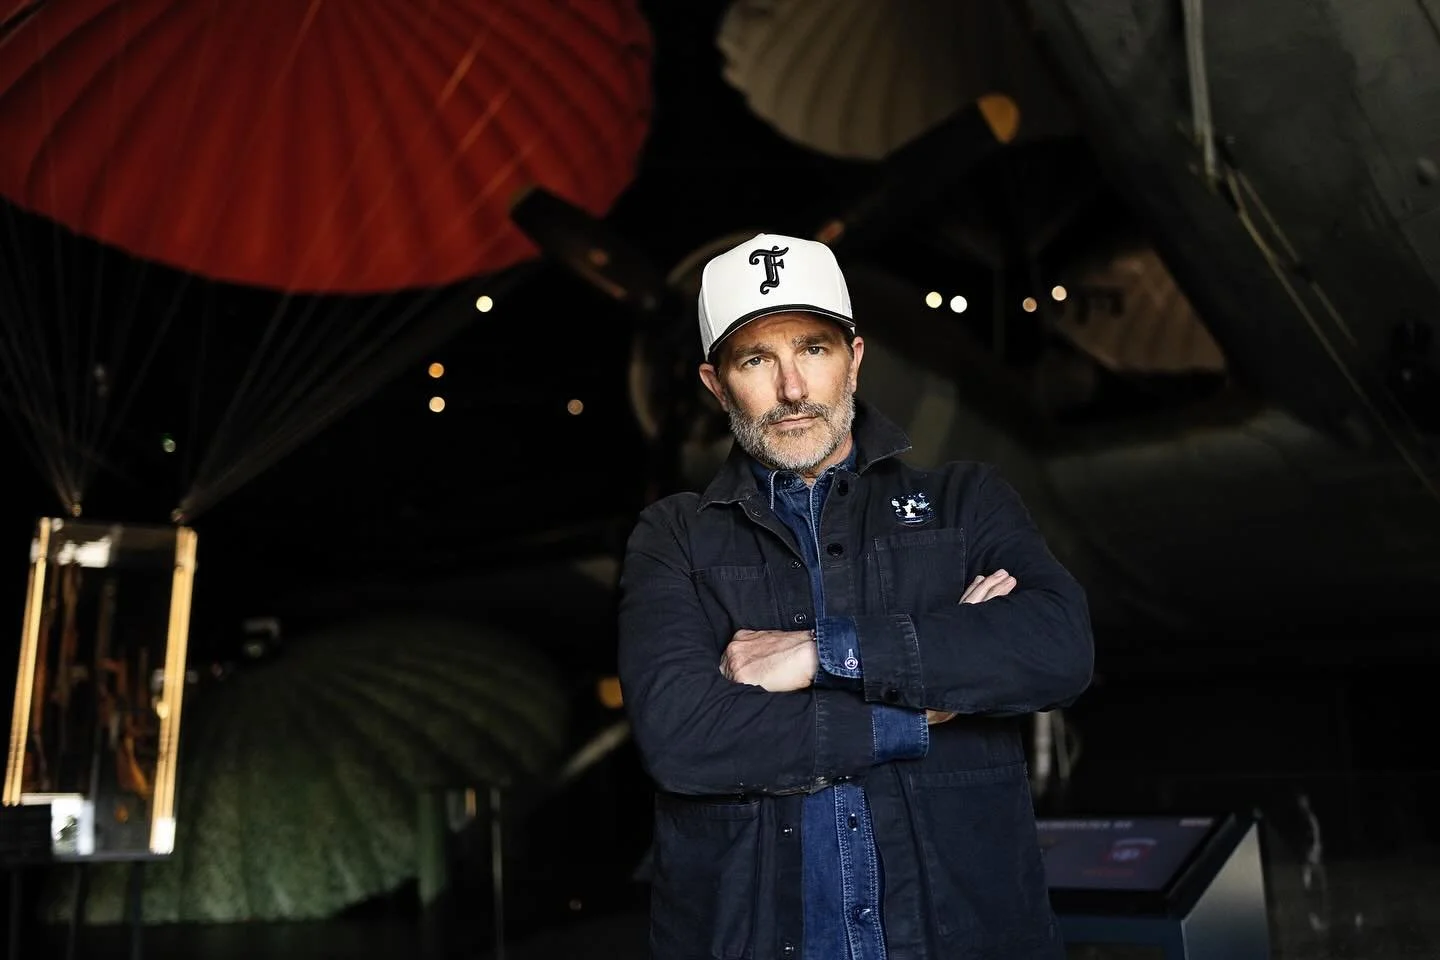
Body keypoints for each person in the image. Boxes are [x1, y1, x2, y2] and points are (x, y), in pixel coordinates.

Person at [617, 233, 1094, 959]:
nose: (793, 390)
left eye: (813, 350)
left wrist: (819, 652)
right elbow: (681, 738)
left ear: (856, 359)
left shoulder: (967, 503)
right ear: (716, 385)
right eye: (756, 360)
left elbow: (1057, 648)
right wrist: (917, 709)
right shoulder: (673, 537)